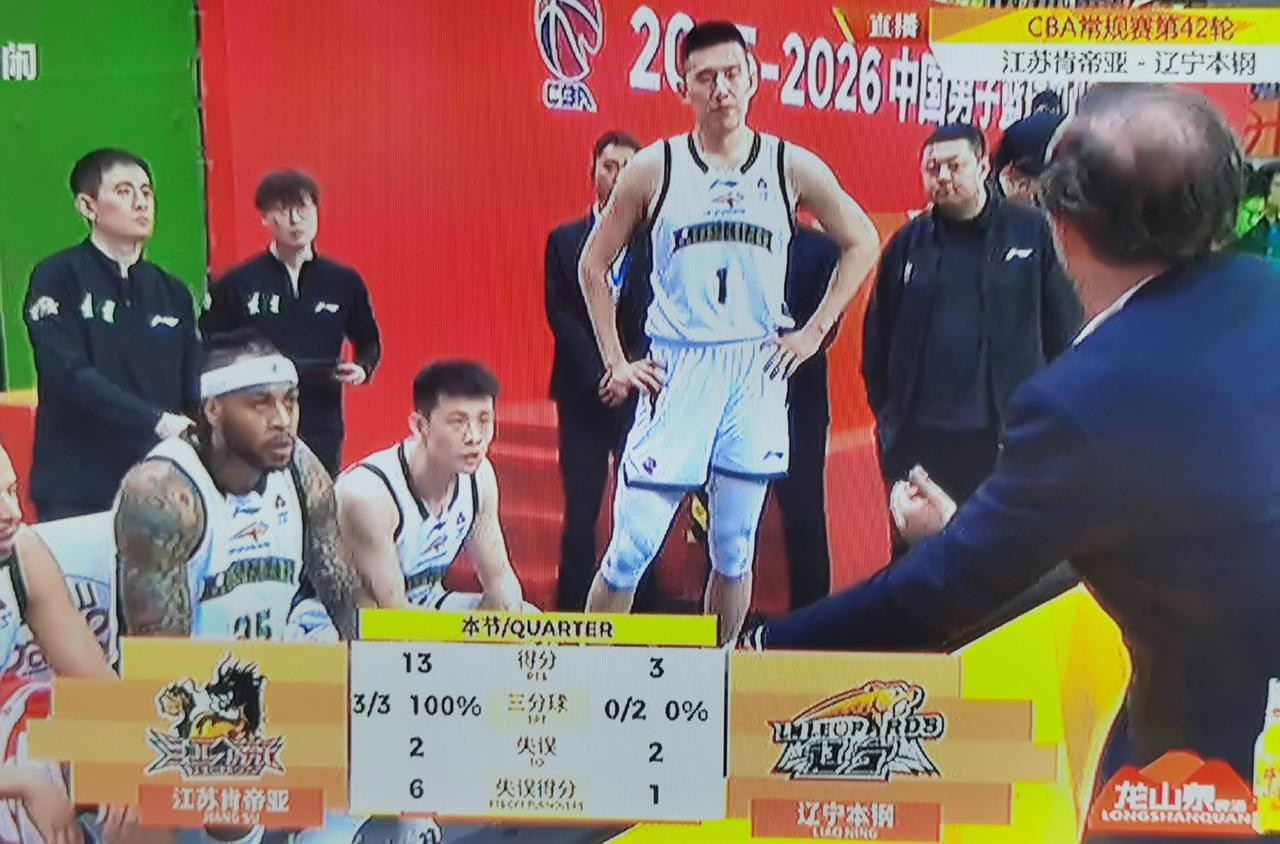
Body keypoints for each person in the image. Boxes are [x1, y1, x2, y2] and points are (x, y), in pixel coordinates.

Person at [749, 84, 1279, 843]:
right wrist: (971, 529)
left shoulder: (1084, 399)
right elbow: (1183, 523)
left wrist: (761, 653)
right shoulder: (1262, 292)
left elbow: (939, 592)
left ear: (1061, 224)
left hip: (1210, 766)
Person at [578, 20, 880, 645]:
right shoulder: (654, 167)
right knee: (630, 547)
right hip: (679, 368)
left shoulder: (789, 164)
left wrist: (814, 333)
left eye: (732, 74)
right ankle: (585, 673)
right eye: (705, 77)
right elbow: (592, 266)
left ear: (754, 79)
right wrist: (616, 359)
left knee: (735, 547)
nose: (720, 88)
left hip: (754, 370)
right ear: (683, 87)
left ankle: (714, 672)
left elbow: (862, 240)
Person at [863, 122, 1081, 513]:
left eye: (954, 165)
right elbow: (878, 340)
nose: (943, 176)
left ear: (983, 167)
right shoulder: (906, 244)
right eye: (932, 168)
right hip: (921, 440)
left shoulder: (1031, 233)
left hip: (1005, 438)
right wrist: (891, 419)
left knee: (1005, 546)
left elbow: (1063, 332)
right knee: (922, 546)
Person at [24, 147, 201, 520]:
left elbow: (192, 388)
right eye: (124, 191)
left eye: (146, 192)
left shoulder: (173, 292)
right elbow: (67, 372)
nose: (141, 203)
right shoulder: (56, 277)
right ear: (87, 206)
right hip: (78, 489)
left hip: (161, 484)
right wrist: (156, 420)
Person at [201, 169, 382, 476]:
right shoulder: (238, 282)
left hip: (321, 413)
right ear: (265, 218)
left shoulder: (343, 281)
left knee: (318, 490)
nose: (295, 221)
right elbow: (210, 344)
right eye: (283, 211)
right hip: (257, 413)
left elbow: (368, 339)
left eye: (303, 209)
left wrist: (363, 368)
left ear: (316, 212)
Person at [0, 444, 138, 843]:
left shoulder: (22, 553)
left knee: (137, 784)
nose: (13, 513)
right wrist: (23, 783)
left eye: (11, 491)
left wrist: (127, 764)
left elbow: (98, 686)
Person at [545, 130, 658, 612]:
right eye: (609, 166)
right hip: (582, 396)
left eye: (628, 168)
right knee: (582, 509)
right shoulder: (564, 240)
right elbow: (561, 317)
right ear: (592, 172)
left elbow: (662, 315)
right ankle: (572, 612)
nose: (617, 176)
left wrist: (629, 372)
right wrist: (605, 374)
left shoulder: (659, 242)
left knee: (641, 511)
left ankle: (643, 612)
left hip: (642, 395)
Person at [332, 360, 534, 613]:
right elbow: (391, 613)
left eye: (484, 421)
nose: (474, 437)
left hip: (426, 603)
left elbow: (500, 579)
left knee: (527, 617)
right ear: (420, 426)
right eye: (458, 422)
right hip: (350, 618)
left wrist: (509, 614)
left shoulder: (479, 476)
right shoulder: (367, 495)